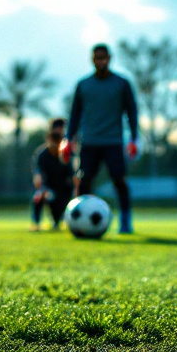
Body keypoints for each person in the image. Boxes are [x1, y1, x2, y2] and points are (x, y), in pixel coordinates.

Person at [62, 43, 140, 234]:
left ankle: (125, 221)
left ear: (109, 58)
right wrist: (67, 139)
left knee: (119, 180)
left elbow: (132, 111)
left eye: (104, 57)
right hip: (89, 142)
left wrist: (134, 137)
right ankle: (79, 219)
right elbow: (75, 115)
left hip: (114, 141)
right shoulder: (83, 85)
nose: (101, 61)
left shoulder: (121, 83)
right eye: (97, 58)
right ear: (92, 60)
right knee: (84, 180)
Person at [31, 118, 74, 231]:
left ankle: (60, 222)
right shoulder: (42, 155)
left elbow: (75, 175)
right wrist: (39, 182)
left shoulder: (69, 154)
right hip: (49, 189)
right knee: (39, 196)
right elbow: (38, 173)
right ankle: (36, 223)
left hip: (66, 190)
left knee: (62, 201)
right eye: (54, 137)